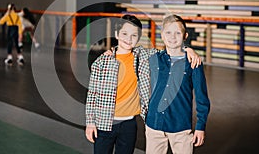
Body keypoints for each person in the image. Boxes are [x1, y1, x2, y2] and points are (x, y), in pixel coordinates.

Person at [85, 15, 201, 154]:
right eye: (124, 34)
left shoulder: (144, 56)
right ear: (116, 34)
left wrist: (188, 49)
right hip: (104, 122)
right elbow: (92, 94)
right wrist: (90, 122)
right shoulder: (102, 62)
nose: (128, 39)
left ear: (138, 37)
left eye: (134, 35)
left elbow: (171, 49)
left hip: (129, 124)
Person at [145, 14, 210, 154]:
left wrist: (200, 126)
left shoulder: (194, 63)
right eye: (168, 32)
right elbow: (129, 50)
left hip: (181, 128)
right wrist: (111, 51)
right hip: (154, 125)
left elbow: (202, 97)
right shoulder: (153, 59)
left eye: (177, 33)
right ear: (162, 35)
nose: (172, 37)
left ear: (185, 35)